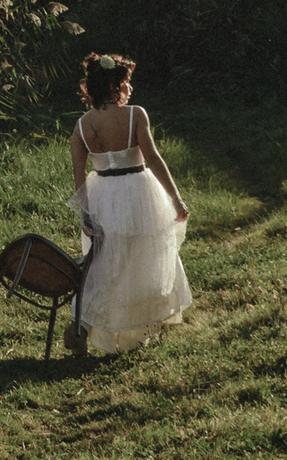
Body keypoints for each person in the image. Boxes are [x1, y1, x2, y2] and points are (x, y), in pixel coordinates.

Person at [65, 52, 193, 356]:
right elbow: (153, 158)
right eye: (126, 83)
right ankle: (139, 323)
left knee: (106, 263)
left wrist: (85, 212)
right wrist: (175, 198)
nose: (130, 90)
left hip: (103, 196)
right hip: (139, 192)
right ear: (114, 86)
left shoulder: (82, 126)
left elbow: (78, 174)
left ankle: (87, 321)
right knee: (144, 259)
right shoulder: (136, 114)